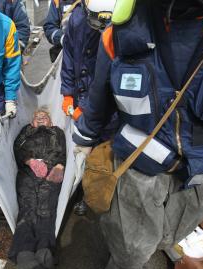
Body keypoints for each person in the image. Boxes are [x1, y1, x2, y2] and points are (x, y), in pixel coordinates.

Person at [73, 0, 203, 269]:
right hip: (140, 167)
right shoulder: (121, 30)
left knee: (168, 234)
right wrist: (86, 134)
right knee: (130, 253)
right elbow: (99, 95)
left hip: (201, 172)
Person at [61, 0, 117, 215]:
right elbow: (69, 57)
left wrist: (87, 109)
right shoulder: (77, 17)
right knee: (82, 150)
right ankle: (81, 187)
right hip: (82, 96)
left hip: (107, 106)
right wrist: (67, 93)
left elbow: (106, 79)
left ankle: (94, 196)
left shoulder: (125, 26)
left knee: (104, 154)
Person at [8, 108, 66, 269]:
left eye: (44, 116)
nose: (40, 118)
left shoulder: (57, 132)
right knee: (28, 207)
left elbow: (63, 152)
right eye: (37, 116)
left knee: (46, 207)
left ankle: (44, 248)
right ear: (32, 121)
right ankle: (24, 252)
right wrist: (30, 161)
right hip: (28, 172)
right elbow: (17, 149)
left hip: (51, 170)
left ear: (51, 121)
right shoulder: (26, 131)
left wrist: (59, 167)